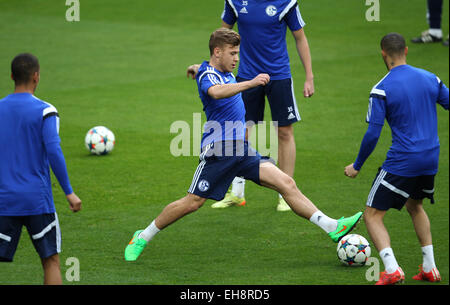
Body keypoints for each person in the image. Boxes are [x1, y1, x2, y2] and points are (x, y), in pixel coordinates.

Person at [125, 28, 362, 262]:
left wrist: (194, 68)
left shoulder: (212, 69)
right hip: (219, 150)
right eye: (232, 53)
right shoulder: (210, 77)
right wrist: (251, 83)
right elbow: (216, 91)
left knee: (286, 183)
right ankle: (142, 236)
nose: (237, 59)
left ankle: (332, 226)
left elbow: (204, 69)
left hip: (242, 150)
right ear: (217, 52)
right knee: (192, 202)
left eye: (238, 53)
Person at [187, 0, 314, 211]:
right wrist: (204, 68)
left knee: (284, 132)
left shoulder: (287, 3)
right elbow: (219, 38)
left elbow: (300, 38)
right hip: (246, 76)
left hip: (279, 75)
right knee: (242, 132)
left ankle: (286, 193)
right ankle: (237, 193)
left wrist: (309, 76)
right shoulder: (235, 2)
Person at [344, 33, 449, 285]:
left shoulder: (381, 88)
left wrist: (357, 165)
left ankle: (391, 269)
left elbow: (373, 133)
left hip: (403, 160)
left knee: (372, 215)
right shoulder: (430, 78)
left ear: (383, 53)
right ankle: (430, 268)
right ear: (406, 51)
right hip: (430, 158)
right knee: (415, 206)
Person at [0, 53, 82, 285]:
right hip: (37, 200)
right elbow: (54, 151)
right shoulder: (46, 111)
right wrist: (69, 192)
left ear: (12, 76)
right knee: (50, 260)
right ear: (36, 77)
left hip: (4, 200)